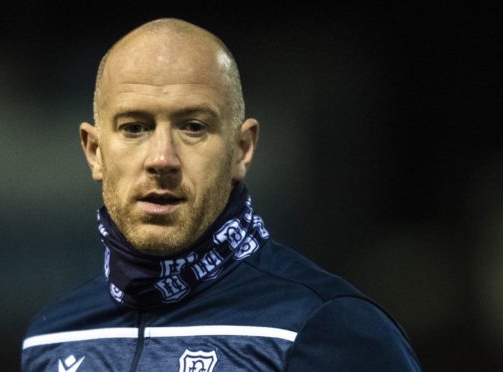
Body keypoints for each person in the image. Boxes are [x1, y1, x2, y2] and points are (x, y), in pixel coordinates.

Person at [21, 18, 422, 371]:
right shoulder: (52, 337)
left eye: (193, 126)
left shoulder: (325, 326)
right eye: (134, 128)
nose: (162, 158)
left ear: (241, 149)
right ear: (95, 151)